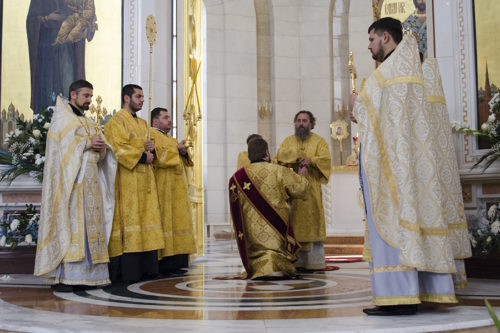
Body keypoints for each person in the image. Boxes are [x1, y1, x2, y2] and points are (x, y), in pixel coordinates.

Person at [349, 17, 471, 316]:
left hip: (394, 175)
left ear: (386, 38)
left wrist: (358, 105)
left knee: (394, 228)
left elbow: (381, 118)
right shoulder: (414, 72)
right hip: (410, 171)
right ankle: (424, 290)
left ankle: (398, 298)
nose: (368, 46)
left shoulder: (390, 74)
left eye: (371, 39)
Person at [34, 80, 116, 292]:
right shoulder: (63, 118)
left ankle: (89, 276)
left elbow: (100, 146)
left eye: (90, 96)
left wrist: (103, 147)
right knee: (72, 227)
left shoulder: (87, 122)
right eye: (86, 96)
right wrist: (89, 143)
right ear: (73, 95)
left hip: (91, 183)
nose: (90, 100)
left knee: (90, 229)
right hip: (72, 184)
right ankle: (67, 278)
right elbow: (61, 149)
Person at [104, 84, 165, 283]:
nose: (141, 100)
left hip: (145, 181)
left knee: (146, 221)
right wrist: (141, 155)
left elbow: (150, 151)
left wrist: (152, 149)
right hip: (127, 181)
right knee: (130, 221)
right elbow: (117, 148)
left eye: (142, 97)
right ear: (126, 98)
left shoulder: (144, 124)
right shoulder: (115, 122)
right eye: (138, 97)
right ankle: (128, 272)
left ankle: (147, 269)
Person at [229, 138, 309, 279]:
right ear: (267, 153)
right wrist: (302, 175)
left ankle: (259, 267)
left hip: (251, 243)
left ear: (249, 156)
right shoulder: (280, 171)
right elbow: (300, 190)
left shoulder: (237, 178)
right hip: (277, 235)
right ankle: (277, 265)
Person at [274, 111, 331, 271]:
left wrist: (311, 161)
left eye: (304, 121)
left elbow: (326, 160)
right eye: (298, 120)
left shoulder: (320, 142)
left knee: (312, 222)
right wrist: (298, 158)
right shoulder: (287, 141)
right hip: (293, 193)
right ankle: (295, 260)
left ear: (311, 124)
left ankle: (313, 261)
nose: (301, 123)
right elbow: (279, 157)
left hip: (311, 192)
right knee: (293, 223)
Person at [27, 0, 97, 114]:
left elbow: (88, 22)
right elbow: (31, 20)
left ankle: (70, 119)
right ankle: (45, 121)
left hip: (68, 50)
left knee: (67, 83)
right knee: (48, 87)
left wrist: (85, 24)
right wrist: (47, 19)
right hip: (46, 52)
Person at [150, 107, 196, 275]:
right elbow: (157, 156)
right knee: (166, 221)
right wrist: (176, 150)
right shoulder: (151, 135)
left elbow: (186, 162)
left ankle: (178, 262)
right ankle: (166, 264)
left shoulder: (170, 138)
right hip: (163, 188)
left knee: (178, 221)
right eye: (165, 117)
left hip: (178, 189)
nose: (169, 120)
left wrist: (183, 153)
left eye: (169, 117)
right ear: (155, 121)